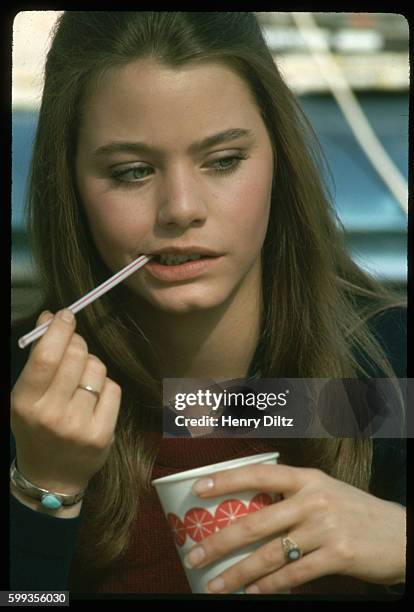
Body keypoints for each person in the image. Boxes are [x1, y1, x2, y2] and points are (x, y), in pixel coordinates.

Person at [10, 11, 406, 596]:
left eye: (223, 161)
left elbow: (212, 409)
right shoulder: (28, 400)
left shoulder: (387, 365)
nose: (181, 208)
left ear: (279, 161)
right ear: (69, 184)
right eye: (132, 171)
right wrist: (43, 489)